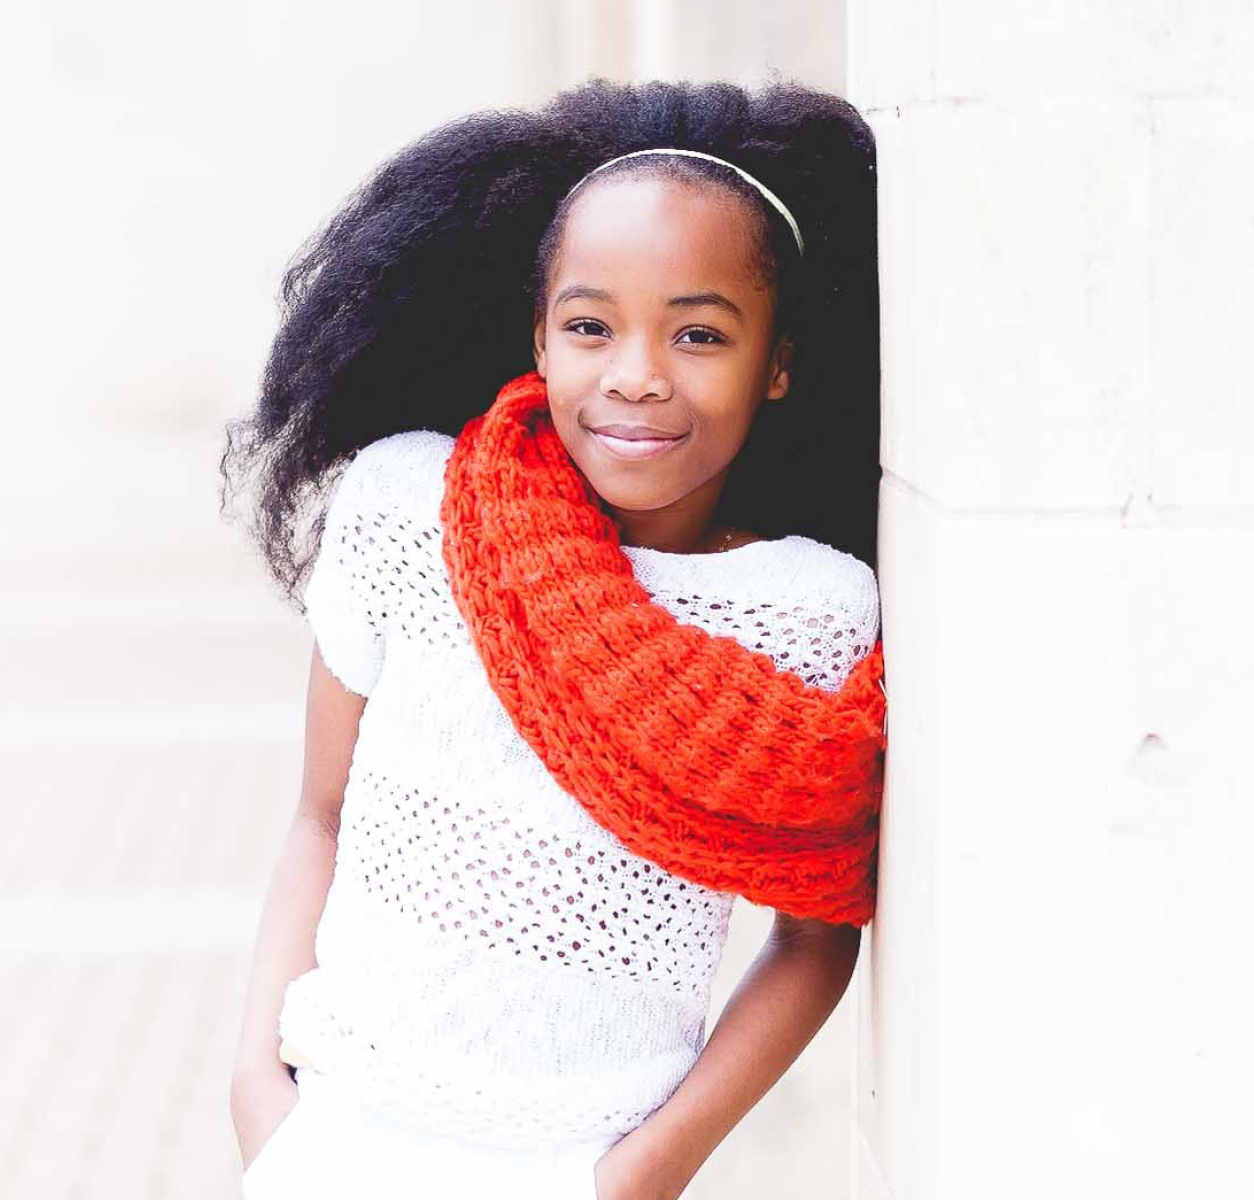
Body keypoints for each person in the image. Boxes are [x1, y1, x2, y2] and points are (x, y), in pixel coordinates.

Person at [219, 75, 888, 1200]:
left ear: (777, 364)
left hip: (581, 1165)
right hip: (334, 1132)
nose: (638, 373)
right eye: (591, 326)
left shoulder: (809, 613)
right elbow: (318, 812)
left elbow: (815, 939)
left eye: (700, 333)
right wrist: (259, 1092)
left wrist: (639, 1173)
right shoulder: (406, 510)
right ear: (539, 336)